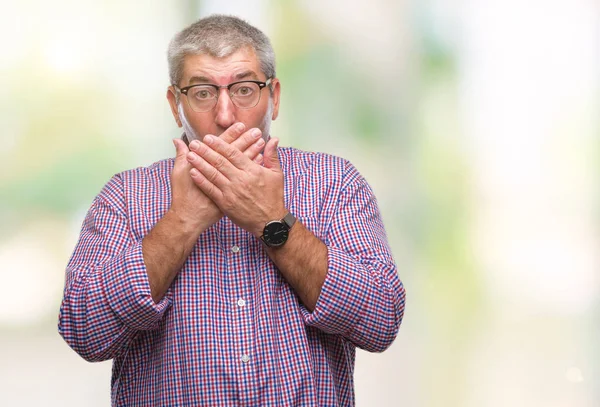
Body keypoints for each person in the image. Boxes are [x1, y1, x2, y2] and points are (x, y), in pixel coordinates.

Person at [58, 14, 406, 407]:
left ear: (274, 97)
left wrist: (272, 221)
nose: (225, 115)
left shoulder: (335, 183)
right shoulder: (125, 195)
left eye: (244, 90)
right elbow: (84, 331)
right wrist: (182, 220)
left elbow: (381, 320)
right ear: (176, 105)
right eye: (203, 92)